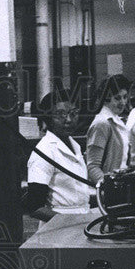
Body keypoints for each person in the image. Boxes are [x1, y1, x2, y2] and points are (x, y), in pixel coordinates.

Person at [25, 85, 93, 221]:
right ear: (49, 118)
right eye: (60, 115)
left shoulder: (75, 146)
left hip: (81, 222)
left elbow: (76, 193)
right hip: (59, 229)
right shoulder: (44, 152)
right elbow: (33, 207)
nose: (68, 120)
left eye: (73, 113)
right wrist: (67, 222)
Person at [86, 75, 135, 184]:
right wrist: (110, 188)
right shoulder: (102, 124)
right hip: (108, 193)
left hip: (120, 186)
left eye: (125, 97)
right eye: (117, 98)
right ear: (106, 99)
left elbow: (122, 165)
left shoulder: (117, 120)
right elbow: (93, 168)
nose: (123, 102)